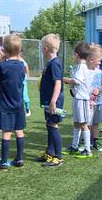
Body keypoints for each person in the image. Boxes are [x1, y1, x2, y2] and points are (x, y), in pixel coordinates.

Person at [0, 34, 26, 170]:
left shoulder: (1, 66)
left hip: (5, 105)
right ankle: (19, 159)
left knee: (6, 132)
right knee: (19, 131)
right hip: (18, 104)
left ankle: (4, 161)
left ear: (4, 50)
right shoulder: (21, 65)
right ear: (19, 50)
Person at [37, 34, 65, 167]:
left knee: (53, 126)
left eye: (42, 47)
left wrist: (53, 101)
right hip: (48, 100)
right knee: (49, 125)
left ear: (46, 48)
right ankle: (50, 152)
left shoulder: (54, 64)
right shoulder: (51, 63)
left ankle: (58, 157)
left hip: (53, 101)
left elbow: (58, 83)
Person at [63, 43, 95, 158]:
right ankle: (74, 147)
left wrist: (63, 79)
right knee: (76, 124)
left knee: (83, 124)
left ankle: (87, 150)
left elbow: (76, 81)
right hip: (77, 99)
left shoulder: (82, 67)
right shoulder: (80, 66)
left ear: (77, 55)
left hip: (82, 100)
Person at [20, 52, 31, 117]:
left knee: (24, 96)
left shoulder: (21, 60)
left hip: (22, 80)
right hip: (17, 80)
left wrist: (27, 74)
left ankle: (28, 109)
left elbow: (26, 66)